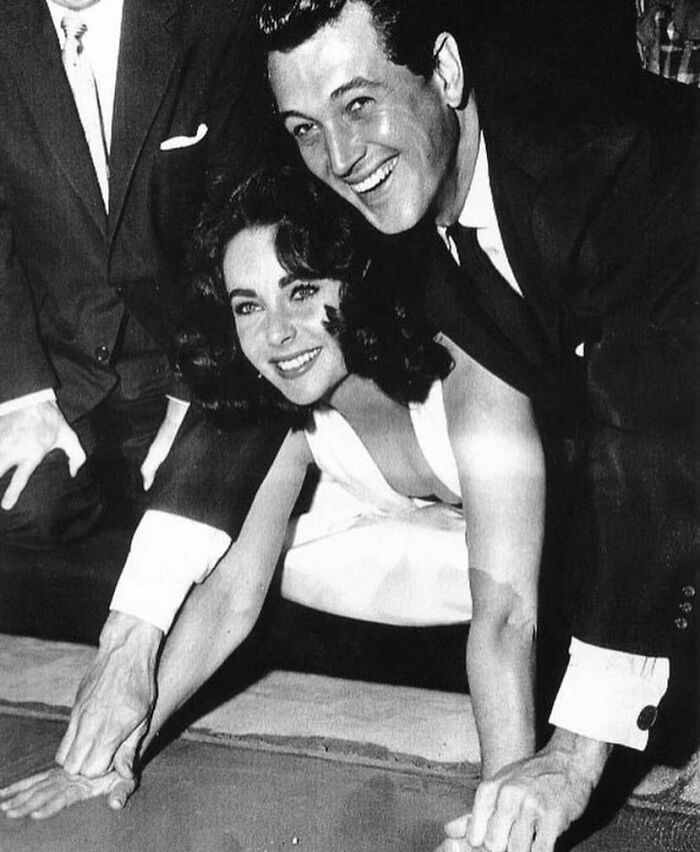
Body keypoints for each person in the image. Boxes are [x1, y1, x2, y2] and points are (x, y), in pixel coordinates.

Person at [26, 2, 697, 850]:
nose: (341, 158)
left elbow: (646, 462)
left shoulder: (601, 176)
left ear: (445, 72)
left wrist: (553, 769)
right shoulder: (418, 236)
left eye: (358, 104)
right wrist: (115, 732)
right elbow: (231, 567)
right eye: (306, 127)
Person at [1, 165, 545, 821]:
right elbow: (230, 594)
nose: (276, 333)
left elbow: (507, 616)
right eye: (249, 306)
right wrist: (120, 749)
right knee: (279, 554)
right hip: (461, 563)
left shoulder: (468, 370)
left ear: (357, 279)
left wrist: (505, 804)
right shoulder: (293, 406)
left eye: (302, 291)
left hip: (581, 566)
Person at [0, 0, 272, 573]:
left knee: (195, 533)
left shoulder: (212, 23)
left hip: (185, 361)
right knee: (24, 510)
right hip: (61, 373)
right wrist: (24, 397)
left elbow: (240, 226)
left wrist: (190, 395)